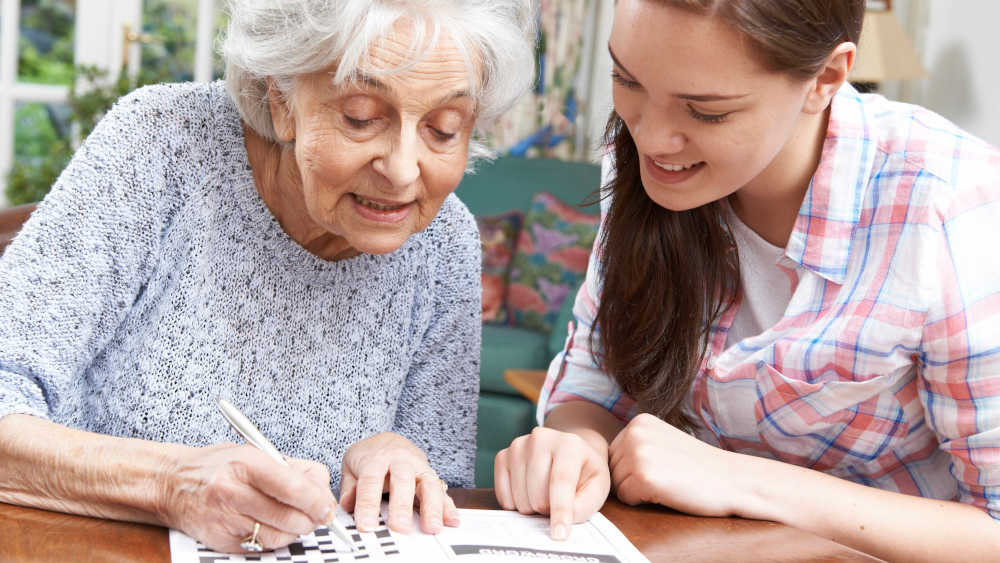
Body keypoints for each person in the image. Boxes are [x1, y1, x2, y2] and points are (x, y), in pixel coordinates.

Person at [0, 0, 536, 554]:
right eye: (359, 117)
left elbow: (439, 491)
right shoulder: (162, 142)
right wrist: (169, 483)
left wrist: (399, 460)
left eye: (443, 130)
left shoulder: (444, 243)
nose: (402, 170)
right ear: (281, 100)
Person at [493, 0, 1000, 560]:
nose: (654, 139)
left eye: (706, 111)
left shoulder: (951, 207)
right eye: (627, 80)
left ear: (825, 79)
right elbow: (592, 390)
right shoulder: (645, 157)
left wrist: (738, 482)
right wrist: (575, 448)